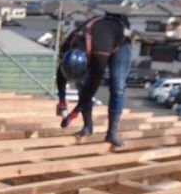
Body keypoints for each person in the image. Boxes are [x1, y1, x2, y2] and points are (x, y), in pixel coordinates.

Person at [54, 12, 133, 146]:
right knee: (81, 84)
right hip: (98, 39)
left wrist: (74, 114)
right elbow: (60, 75)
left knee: (117, 85)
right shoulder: (67, 46)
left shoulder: (99, 56)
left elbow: (92, 89)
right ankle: (88, 127)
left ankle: (111, 133)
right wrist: (62, 102)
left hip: (120, 43)